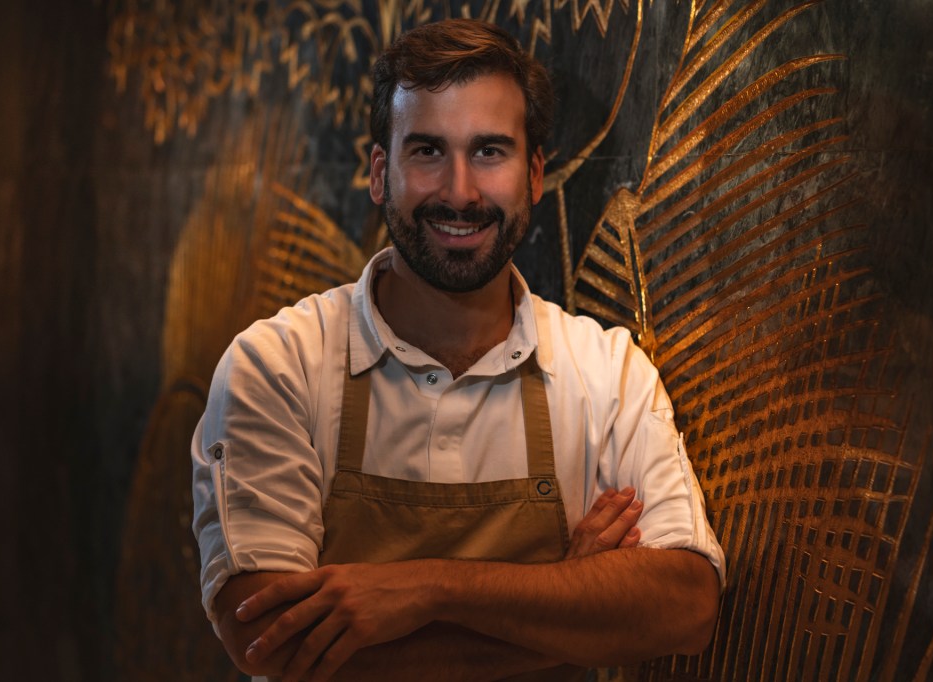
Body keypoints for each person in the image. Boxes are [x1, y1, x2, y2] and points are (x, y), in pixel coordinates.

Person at [191, 17, 725, 682]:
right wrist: (567, 601)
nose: (461, 192)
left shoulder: (605, 372)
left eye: (490, 152)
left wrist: (428, 589)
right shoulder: (277, 366)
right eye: (427, 152)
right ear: (380, 174)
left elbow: (684, 605)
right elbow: (272, 638)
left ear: (534, 176)